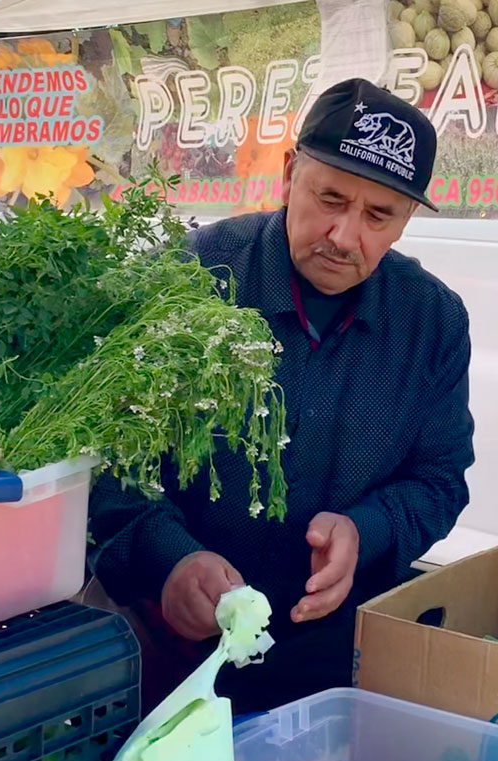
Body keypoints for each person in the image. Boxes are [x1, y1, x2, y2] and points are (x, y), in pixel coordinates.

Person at [85, 78, 475, 713]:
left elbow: (439, 481)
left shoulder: (432, 322)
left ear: (405, 221)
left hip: (331, 669)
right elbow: (104, 467)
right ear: (290, 174)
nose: (346, 236)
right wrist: (169, 559)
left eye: (379, 215)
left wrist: (365, 530)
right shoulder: (187, 280)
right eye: (330, 198)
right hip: (165, 659)